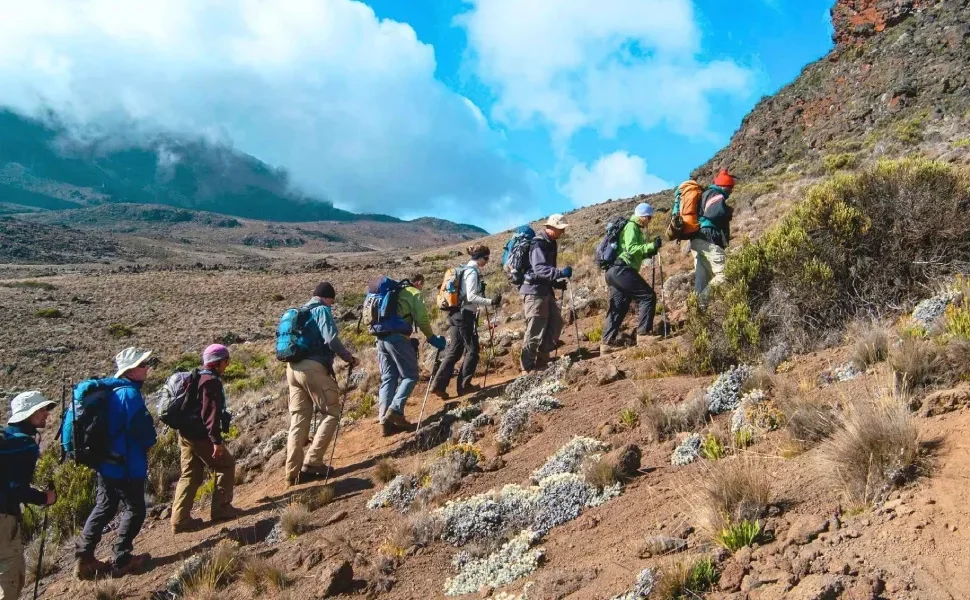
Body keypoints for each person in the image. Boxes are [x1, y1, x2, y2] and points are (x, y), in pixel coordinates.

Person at [75, 347, 158, 580]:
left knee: (105, 506)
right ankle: (122, 559)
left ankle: (84, 558)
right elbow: (142, 429)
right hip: (126, 463)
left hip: (105, 462)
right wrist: (150, 443)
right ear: (130, 372)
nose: (147, 368)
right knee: (135, 508)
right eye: (142, 365)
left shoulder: (110, 392)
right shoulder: (129, 393)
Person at [285, 282, 358, 486]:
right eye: (331, 301)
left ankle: (292, 473)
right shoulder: (321, 310)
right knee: (332, 412)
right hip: (312, 368)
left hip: (292, 369)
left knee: (299, 420)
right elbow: (331, 339)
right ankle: (313, 462)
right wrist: (348, 357)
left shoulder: (300, 312)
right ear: (326, 298)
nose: (331, 305)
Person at [170, 344, 239, 533]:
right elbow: (210, 414)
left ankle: (180, 520)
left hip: (185, 433)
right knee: (226, 465)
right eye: (226, 361)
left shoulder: (198, 377)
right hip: (200, 436)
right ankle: (221, 509)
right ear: (217, 363)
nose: (227, 365)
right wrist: (216, 441)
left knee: (190, 475)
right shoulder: (211, 382)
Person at [1, 391, 58, 599]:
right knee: (9, 578)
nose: (46, 414)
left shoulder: (6, 438)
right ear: (28, 414)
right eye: (41, 410)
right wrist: (45, 498)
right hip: (3, 518)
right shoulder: (24, 444)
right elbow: (16, 488)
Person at [378, 274, 447, 435]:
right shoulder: (414, 293)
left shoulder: (394, 292)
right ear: (418, 282)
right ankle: (395, 411)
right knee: (410, 375)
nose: (422, 288)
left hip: (380, 338)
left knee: (389, 377)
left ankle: (384, 422)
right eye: (422, 285)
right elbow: (422, 319)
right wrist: (431, 338)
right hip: (397, 338)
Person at [430, 246, 501, 399]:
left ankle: (438, 386)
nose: (487, 261)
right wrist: (491, 301)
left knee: (455, 351)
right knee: (473, 350)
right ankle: (464, 386)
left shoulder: (464, 270)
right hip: (465, 315)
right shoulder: (472, 272)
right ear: (479, 257)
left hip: (455, 314)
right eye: (486, 258)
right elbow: (471, 297)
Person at [601, 203, 663, 354]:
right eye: (649, 217)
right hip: (622, 269)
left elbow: (634, 252)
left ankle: (606, 344)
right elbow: (631, 248)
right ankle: (643, 335)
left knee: (619, 306)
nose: (649, 221)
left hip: (613, 271)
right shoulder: (632, 226)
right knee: (647, 296)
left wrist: (650, 251)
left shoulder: (633, 228)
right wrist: (651, 246)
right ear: (642, 216)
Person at [520, 214, 572, 373]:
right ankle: (527, 368)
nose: (562, 232)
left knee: (555, 323)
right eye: (560, 229)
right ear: (552, 227)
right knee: (535, 329)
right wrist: (559, 273)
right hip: (534, 292)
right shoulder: (539, 243)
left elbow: (544, 270)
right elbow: (539, 268)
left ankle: (542, 360)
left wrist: (555, 282)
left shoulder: (551, 242)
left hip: (545, 290)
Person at [691, 169, 735, 306]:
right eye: (730, 187)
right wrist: (727, 211)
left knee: (702, 278)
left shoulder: (705, 194)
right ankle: (702, 301)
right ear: (724, 186)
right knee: (725, 273)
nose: (731, 191)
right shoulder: (716, 194)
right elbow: (714, 213)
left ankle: (698, 309)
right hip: (709, 237)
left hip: (697, 239)